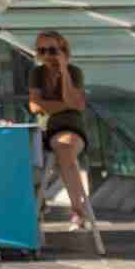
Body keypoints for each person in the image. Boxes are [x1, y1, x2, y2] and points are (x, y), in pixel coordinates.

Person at [29, 30, 92, 230]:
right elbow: (35, 106)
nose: (47, 55)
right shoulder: (36, 73)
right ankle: (38, 205)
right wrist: (66, 104)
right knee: (21, 153)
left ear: (63, 50)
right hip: (45, 129)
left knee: (65, 148)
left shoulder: (74, 72)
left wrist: (63, 70)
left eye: (52, 50)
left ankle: (78, 210)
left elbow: (76, 103)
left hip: (70, 126)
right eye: (42, 50)